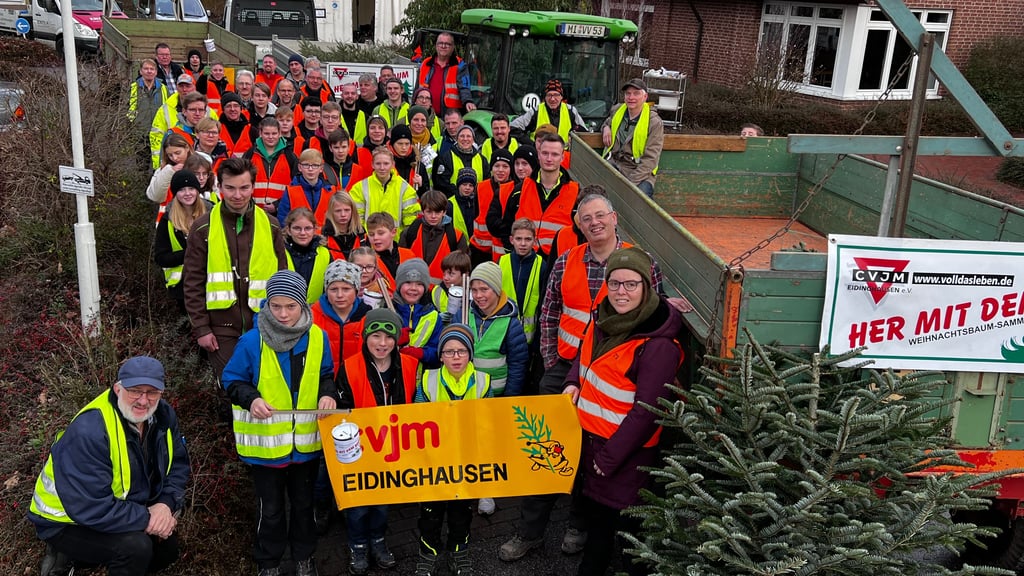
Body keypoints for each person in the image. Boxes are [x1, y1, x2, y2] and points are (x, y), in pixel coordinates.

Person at [500, 194, 675, 563]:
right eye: (586, 218)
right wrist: (552, 364)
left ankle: (579, 525)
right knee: (545, 450)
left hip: (611, 371)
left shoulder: (639, 263)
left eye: (600, 216)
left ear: (614, 217)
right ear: (578, 224)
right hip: (567, 369)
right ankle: (530, 531)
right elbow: (549, 312)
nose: (594, 223)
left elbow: (651, 312)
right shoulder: (567, 261)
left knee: (592, 450)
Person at [562, 247, 683, 576]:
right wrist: (573, 381)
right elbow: (585, 359)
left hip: (624, 458)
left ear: (646, 287)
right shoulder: (603, 320)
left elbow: (647, 411)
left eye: (631, 285)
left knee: (626, 532)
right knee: (598, 523)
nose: (621, 292)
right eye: (615, 283)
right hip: (593, 445)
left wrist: (609, 458)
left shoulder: (657, 346)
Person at [29, 356, 189, 576]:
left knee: (166, 552)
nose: (143, 401)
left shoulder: (163, 415)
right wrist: (147, 518)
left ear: (161, 393)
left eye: (152, 392)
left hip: (117, 508)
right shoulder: (91, 430)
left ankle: (84, 558)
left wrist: (165, 504)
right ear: (117, 389)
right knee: (137, 548)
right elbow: (89, 506)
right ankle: (64, 552)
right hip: (66, 520)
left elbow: (179, 463)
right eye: (135, 391)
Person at [222, 270, 336, 576]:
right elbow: (231, 380)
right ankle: (268, 563)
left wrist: (328, 395)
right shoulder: (251, 340)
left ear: (303, 305)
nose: (283, 314)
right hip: (267, 448)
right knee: (270, 511)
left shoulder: (318, 337)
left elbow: (326, 375)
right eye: (276, 306)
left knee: (303, 507)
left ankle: (304, 558)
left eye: (290, 307)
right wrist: (252, 399)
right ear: (266, 305)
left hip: (306, 446)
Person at [182, 157, 289, 379]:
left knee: (264, 386)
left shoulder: (271, 225)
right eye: (230, 188)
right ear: (219, 187)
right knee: (233, 388)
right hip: (221, 328)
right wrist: (201, 328)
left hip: (264, 325)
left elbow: (282, 279)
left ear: (253, 187)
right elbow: (193, 282)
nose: (237, 195)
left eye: (244, 188)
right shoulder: (202, 228)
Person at [336, 308, 418, 575]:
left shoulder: (408, 365)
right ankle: (358, 545)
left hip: (391, 448)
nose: (382, 343)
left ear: (396, 339)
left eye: (389, 337)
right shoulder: (349, 366)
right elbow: (342, 408)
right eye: (376, 336)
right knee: (358, 504)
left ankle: (379, 541)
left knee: (382, 501)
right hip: (360, 447)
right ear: (366, 337)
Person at [412, 324, 491, 576]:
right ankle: (428, 552)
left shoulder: (483, 381)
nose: (455, 357)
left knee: (461, 512)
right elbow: (417, 419)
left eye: (461, 351)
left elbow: (488, 420)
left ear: (469, 354)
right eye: (449, 352)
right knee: (430, 512)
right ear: (441, 355)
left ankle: (459, 551)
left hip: (466, 460)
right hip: (434, 461)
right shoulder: (428, 379)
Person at [456, 261, 528, 398]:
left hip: (497, 396)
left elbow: (517, 366)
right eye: (474, 290)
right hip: (466, 394)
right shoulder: (462, 315)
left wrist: (508, 399)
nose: (478, 296)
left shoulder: (511, 324)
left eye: (484, 289)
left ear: (496, 289)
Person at [515, 132, 578, 257]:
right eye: (545, 153)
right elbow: (507, 223)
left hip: (558, 260)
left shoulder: (575, 192)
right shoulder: (521, 188)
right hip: (525, 258)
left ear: (562, 158)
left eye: (554, 154)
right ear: (538, 155)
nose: (549, 159)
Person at [154, 169, 207, 312]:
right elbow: (161, 257)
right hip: (183, 289)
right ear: (175, 193)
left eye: (191, 188)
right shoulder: (168, 220)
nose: (187, 193)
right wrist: (190, 254)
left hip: (213, 284)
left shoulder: (212, 213)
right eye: (182, 190)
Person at [601, 78, 664, 199]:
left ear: (645, 97)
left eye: (636, 93)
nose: (631, 97)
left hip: (640, 172)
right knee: (596, 192)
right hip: (615, 164)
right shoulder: (618, 110)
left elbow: (650, 160)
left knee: (639, 200)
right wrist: (605, 128)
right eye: (628, 93)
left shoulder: (654, 122)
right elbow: (607, 122)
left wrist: (630, 184)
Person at [313, 260, 372, 373]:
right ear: (326, 291)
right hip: (322, 382)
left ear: (356, 290)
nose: (340, 295)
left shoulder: (367, 317)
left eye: (346, 289)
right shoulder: (312, 317)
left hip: (355, 380)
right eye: (333, 289)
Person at [399, 189, 468, 286]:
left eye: (438, 212)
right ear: (423, 211)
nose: (433, 216)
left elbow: (463, 270)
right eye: (429, 212)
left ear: (444, 212)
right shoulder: (410, 233)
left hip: (442, 292)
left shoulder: (456, 236)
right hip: (413, 290)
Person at [350, 147, 420, 234]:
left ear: (392, 164)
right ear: (372, 164)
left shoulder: (405, 188)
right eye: (378, 164)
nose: (382, 168)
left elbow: (410, 221)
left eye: (386, 163)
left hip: (395, 242)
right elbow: (357, 219)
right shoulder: (359, 188)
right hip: (368, 242)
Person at [499, 217, 545, 347]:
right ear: (511, 240)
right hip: (502, 332)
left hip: (528, 337)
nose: (523, 244)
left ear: (535, 241)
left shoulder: (541, 265)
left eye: (528, 239)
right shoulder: (501, 262)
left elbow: (544, 304)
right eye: (519, 239)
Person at [487, 144, 538, 261]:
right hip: (505, 255)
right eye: (517, 163)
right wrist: (509, 236)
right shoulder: (503, 190)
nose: (520, 168)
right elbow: (491, 221)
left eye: (525, 164)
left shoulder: (540, 190)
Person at [391, 258, 442, 367]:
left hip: (421, 379)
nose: (413, 288)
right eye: (408, 283)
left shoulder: (433, 316)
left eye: (419, 284)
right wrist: (392, 340)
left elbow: (438, 353)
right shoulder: (388, 310)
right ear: (399, 285)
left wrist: (421, 353)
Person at [243, 117, 299, 214]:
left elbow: (296, 185)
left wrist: (277, 205)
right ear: (260, 133)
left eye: (274, 133)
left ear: (280, 133)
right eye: (267, 134)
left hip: (281, 212)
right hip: (252, 211)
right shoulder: (250, 154)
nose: (271, 137)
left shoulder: (290, 156)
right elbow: (241, 181)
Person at [471, 148, 514, 264]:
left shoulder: (515, 189)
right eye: (497, 166)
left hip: (503, 250)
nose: (500, 170)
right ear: (491, 169)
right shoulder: (480, 187)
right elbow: (476, 214)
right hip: (480, 249)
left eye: (505, 166)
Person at [417, 32, 475, 115]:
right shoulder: (426, 64)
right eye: (440, 43)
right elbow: (417, 89)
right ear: (436, 45)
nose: (443, 46)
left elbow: (464, 87)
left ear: (453, 47)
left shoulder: (460, 65)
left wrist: (468, 101)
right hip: (426, 113)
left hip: (450, 115)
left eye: (447, 44)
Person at [284, 207, 333, 304]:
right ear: (288, 230)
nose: (303, 233)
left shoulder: (325, 253)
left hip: (317, 313)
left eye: (307, 228)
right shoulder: (280, 253)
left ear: (315, 229)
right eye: (297, 228)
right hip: (285, 313)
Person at [511, 79, 586, 142]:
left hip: (563, 155)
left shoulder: (571, 111)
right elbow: (512, 127)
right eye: (549, 95)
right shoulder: (535, 111)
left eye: (556, 95)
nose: (552, 99)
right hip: (540, 155)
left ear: (561, 97)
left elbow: (585, 133)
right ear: (545, 97)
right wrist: (531, 145)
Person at [279, 148, 335, 229]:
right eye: (306, 165)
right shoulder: (290, 191)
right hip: (298, 237)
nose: (310, 169)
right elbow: (283, 218)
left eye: (315, 165)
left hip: (324, 238)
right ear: (299, 167)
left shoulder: (330, 191)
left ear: (321, 169)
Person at [433, 125, 489, 197]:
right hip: (453, 202)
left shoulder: (482, 160)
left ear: (473, 139)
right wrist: (460, 194)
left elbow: (486, 183)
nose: (465, 139)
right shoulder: (447, 157)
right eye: (462, 136)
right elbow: (441, 183)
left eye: (468, 136)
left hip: (476, 202)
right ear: (456, 139)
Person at [365, 212, 415, 290]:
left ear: (393, 232)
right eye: (371, 234)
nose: (375, 238)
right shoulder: (367, 260)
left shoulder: (409, 255)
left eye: (380, 233)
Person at [146, 132, 193, 205]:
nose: (175, 158)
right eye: (170, 155)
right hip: (171, 213)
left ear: (187, 148)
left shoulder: (200, 164)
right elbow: (155, 196)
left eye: (177, 153)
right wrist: (169, 171)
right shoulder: (164, 169)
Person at [430, 250, 472, 324]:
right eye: (444, 273)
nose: (445, 278)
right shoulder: (437, 291)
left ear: (465, 274)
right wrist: (437, 318)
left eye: (451, 274)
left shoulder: (474, 294)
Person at [127, 58, 168, 132]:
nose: (149, 71)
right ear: (141, 71)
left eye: (152, 69)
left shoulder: (164, 89)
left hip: (159, 133)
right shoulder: (132, 88)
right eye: (146, 69)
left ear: (156, 72)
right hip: (137, 134)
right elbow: (125, 110)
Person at [322, 192, 365, 259]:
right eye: (338, 211)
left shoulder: (362, 236)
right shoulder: (323, 237)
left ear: (353, 211)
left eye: (347, 210)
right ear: (331, 212)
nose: (343, 214)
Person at [390, 124, 429, 196]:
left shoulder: (418, 166)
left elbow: (426, 196)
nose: (404, 147)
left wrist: (421, 185)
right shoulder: (385, 164)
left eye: (407, 144)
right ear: (392, 144)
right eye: (400, 144)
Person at [448, 167, 480, 242]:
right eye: (464, 184)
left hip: (475, 246)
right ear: (458, 185)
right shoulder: (449, 204)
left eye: (471, 185)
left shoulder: (477, 203)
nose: (467, 188)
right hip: (457, 246)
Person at [219, 92, 253, 158]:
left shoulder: (251, 130)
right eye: (228, 106)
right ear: (223, 109)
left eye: (236, 106)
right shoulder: (216, 129)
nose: (232, 109)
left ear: (241, 109)